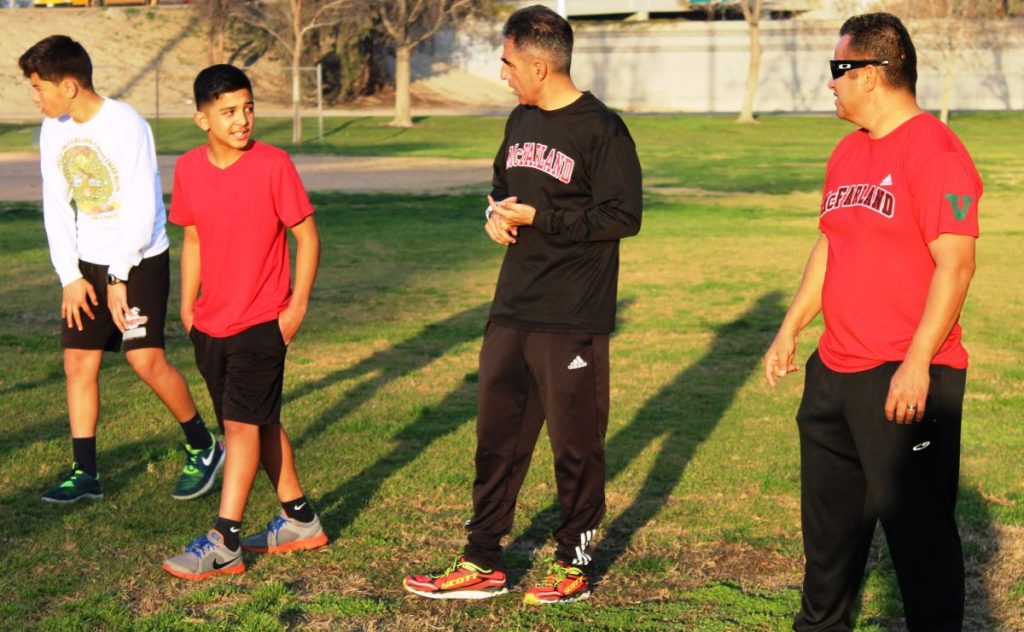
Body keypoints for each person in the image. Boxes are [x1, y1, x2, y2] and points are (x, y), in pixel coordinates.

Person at [403, 5, 642, 605]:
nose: (503, 73)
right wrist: (496, 216)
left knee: (575, 443)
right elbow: (502, 187)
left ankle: (574, 560)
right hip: (513, 303)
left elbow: (623, 216)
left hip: (572, 313)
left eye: (508, 63)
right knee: (497, 437)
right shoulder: (519, 119)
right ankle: (482, 559)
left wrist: (546, 218)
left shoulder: (601, 128)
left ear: (539, 64)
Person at [763, 13, 980, 631]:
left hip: (905, 378)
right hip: (834, 373)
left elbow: (956, 267)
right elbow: (832, 242)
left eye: (839, 70)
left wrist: (915, 365)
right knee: (827, 545)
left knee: (921, 546)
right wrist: (792, 327)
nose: (831, 84)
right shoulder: (848, 150)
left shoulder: (937, 153)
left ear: (875, 74)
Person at [18, 35, 223, 505]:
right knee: (77, 363)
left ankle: (203, 445)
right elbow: (56, 206)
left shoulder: (126, 124)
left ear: (69, 86)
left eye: (39, 87)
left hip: (140, 257)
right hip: (87, 262)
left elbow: (141, 205)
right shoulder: (54, 129)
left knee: (143, 359)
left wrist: (118, 274)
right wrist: (70, 276)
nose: (36, 98)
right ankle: (85, 474)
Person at [160, 64, 327, 580]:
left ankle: (224, 540)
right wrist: (188, 308)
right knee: (258, 420)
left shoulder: (274, 165)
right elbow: (193, 239)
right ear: (201, 118)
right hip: (209, 324)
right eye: (229, 111)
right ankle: (300, 519)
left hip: (262, 322)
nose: (242, 120)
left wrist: (294, 308)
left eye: (248, 108)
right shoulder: (188, 168)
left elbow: (308, 237)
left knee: (239, 425)